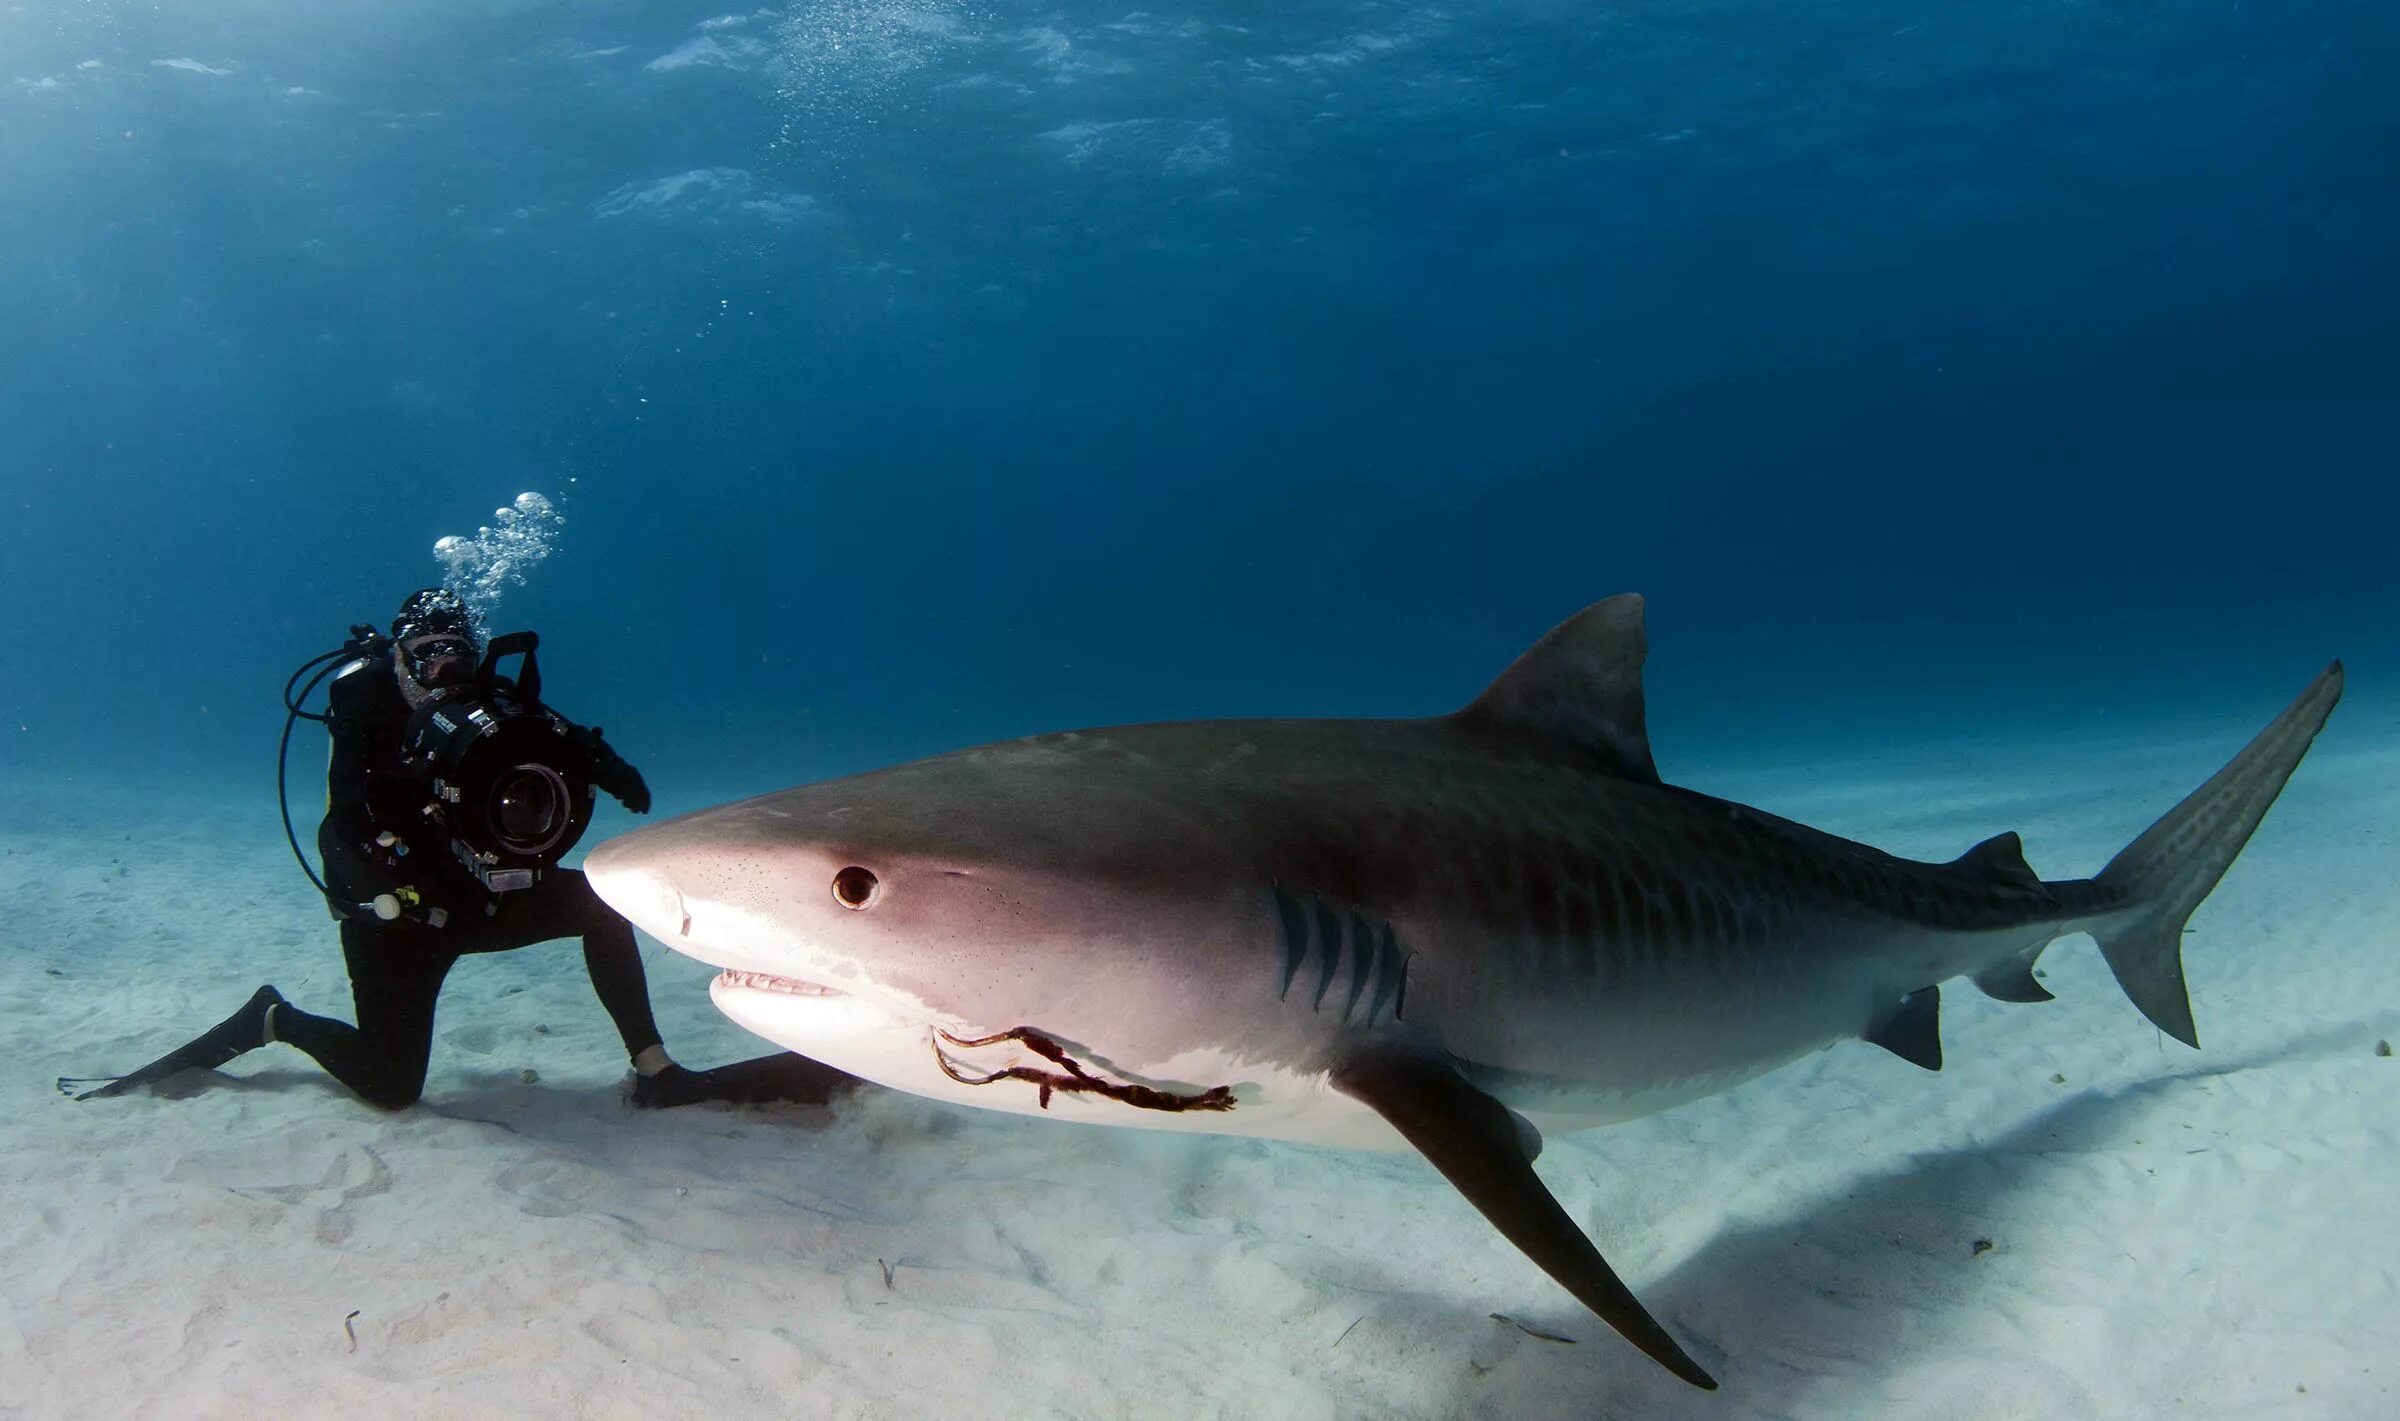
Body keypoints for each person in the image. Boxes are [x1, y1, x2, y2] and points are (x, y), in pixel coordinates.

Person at [74, 588, 852, 1111]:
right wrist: (402, 880)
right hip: (400, 921)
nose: (445, 667)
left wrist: (608, 768)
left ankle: (656, 1073)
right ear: (399, 661)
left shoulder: (496, 701)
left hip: (483, 899)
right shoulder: (367, 714)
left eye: (457, 649)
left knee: (604, 906)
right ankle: (276, 1018)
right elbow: (338, 834)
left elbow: (561, 738)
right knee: (391, 1089)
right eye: (428, 653)